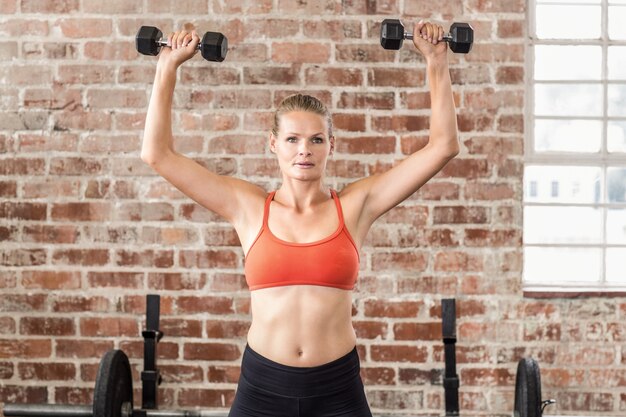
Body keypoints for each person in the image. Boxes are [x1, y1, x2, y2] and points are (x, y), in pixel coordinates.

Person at [142, 19, 459, 417]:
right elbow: (158, 154)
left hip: (337, 389)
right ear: (273, 144)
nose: (303, 150)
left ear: (331, 145)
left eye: (316, 139)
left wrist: (435, 61)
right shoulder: (248, 206)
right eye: (292, 139)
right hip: (262, 389)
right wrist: (167, 66)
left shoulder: (357, 205)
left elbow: (443, 146)